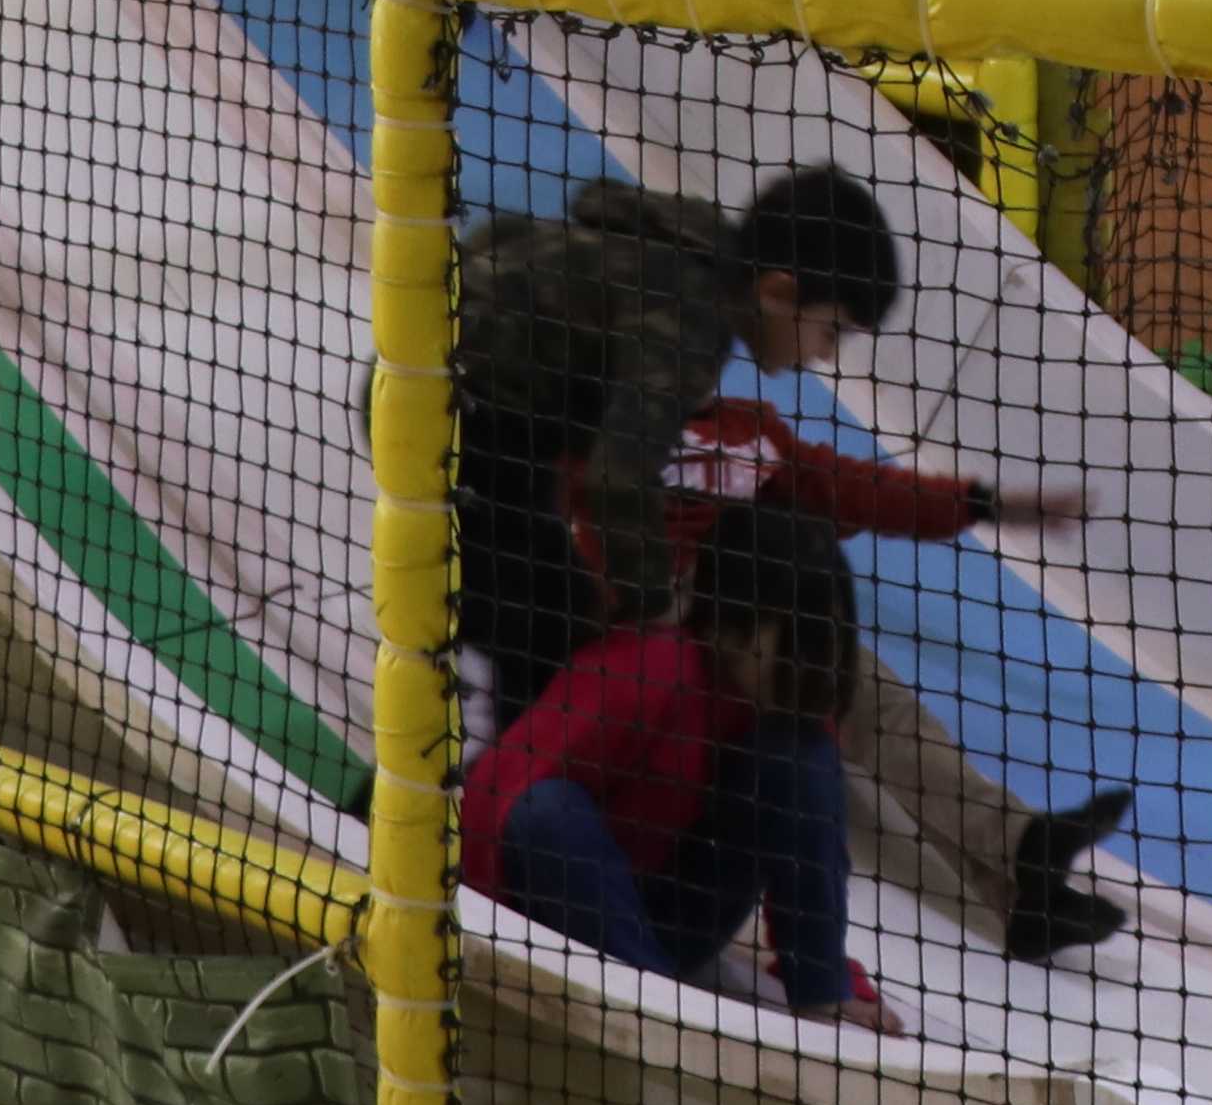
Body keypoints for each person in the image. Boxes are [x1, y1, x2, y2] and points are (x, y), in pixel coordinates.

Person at [448, 166, 1131, 963]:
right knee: (794, 739)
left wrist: (984, 503)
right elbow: (596, 491)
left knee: (859, 690)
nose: (823, 355)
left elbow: (860, 489)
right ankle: (488, 831)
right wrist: (642, 614)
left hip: (738, 616)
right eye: (830, 331)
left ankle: (1019, 866)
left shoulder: (748, 429)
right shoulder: (621, 391)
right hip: (645, 628)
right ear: (777, 293)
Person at [463, 502, 900, 1035]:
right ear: (727, 627)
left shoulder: (793, 723)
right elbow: (504, 794)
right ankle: (655, 997)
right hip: (543, 911)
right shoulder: (646, 672)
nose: (818, 664)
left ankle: (814, 988)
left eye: (829, 642)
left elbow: (812, 856)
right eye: (799, 641)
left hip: (666, 922)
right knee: (545, 810)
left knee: (803, 759)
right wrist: (477, 916)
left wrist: (827, 969)